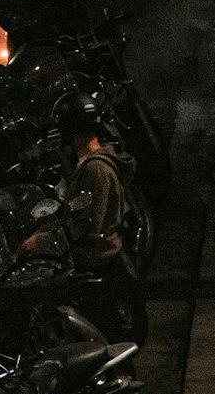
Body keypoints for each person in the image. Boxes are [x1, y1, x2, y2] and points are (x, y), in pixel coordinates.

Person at [54, 90, 149, 346]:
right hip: (104, 260)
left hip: (99, 262)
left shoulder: (96, 170)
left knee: (105, 339)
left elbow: (89, 223)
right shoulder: (91, 163)